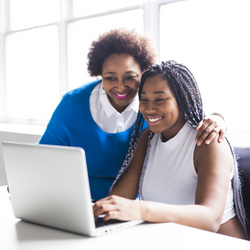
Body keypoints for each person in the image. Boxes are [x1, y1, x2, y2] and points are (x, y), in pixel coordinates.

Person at [38, 29, 226, 201]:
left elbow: (190, 107)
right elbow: (42, 159)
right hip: (82, 202)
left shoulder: (153, 109)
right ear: (99, 75)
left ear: (144, 73)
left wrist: (218, 118)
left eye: (130, 77)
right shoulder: (72, 106)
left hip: (136, 208)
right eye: (110, 78)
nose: (120, 87)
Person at [93, 61, 248, 239]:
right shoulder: (148, 138)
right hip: (173, 241)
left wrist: (141, 209)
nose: (149, 108)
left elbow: (210, 219)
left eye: (160, 99)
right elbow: (120, 198)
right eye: (143, 99)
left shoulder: (209, 142)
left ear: (183, 101)